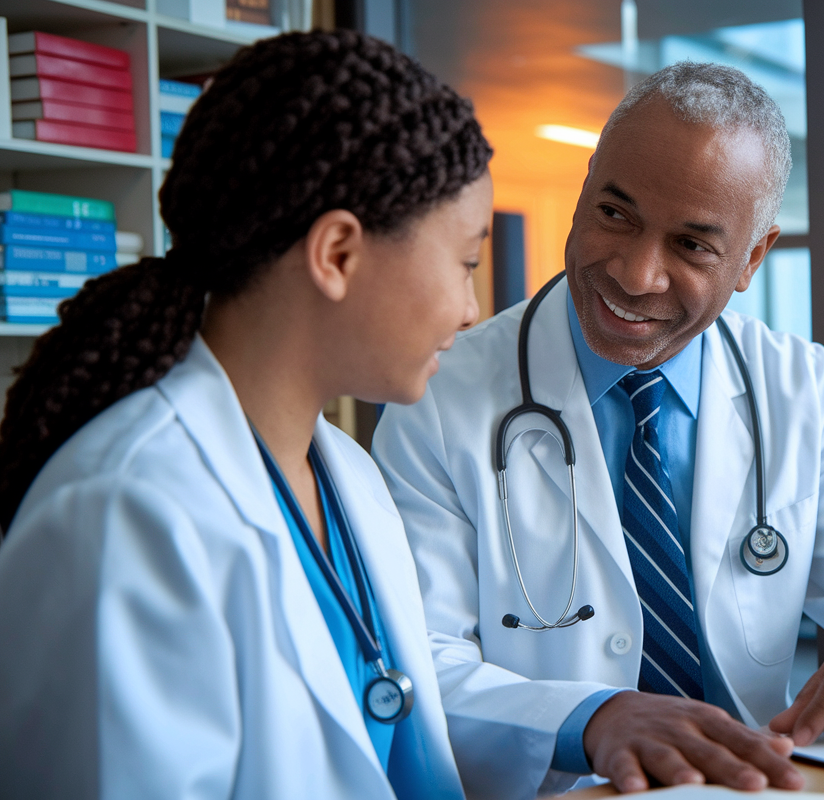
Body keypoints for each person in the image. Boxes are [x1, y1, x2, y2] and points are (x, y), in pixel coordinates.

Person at [374, 62, 824, 795]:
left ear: (753, 258)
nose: (638, 274)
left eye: (692, 246)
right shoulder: (440, 393)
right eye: (616, 214)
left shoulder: (797, 386)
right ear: (584, 194)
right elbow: (413, 663)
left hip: (759, 783)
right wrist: (593, 718)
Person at [0, 31, 493, 799]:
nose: (471, 310)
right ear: (337, 254)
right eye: (466, 263)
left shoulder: (349, 477)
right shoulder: (124, 511)